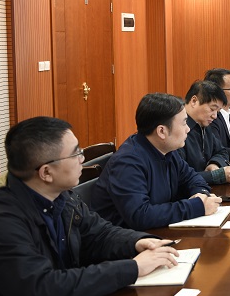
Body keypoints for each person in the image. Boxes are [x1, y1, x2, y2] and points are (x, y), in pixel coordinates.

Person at [0, 116, 181, 296]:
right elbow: (43, 287)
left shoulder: (61, 195)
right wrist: (133, 268)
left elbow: (99, 233)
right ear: (46, 172)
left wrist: (137, 242)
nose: (82, 159)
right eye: (75, 153)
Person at [94, 93, 221, 230]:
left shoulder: (168, 151)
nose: (188, 129)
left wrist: (201, 194)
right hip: (128, 239)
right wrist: (196, 206)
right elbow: (140, 215)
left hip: (157, 232)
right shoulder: (127, 162)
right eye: (184, 123)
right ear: (161, 131)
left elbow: (193, 178)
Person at [178, 80, 230, 184]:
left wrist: (215, 164)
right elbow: (180, 176)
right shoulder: (177, 129)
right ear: (194, 101)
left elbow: (222, 151)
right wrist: (216, 175)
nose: (215, 116)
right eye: (212, 109)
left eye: (217, 111)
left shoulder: (204, 125)